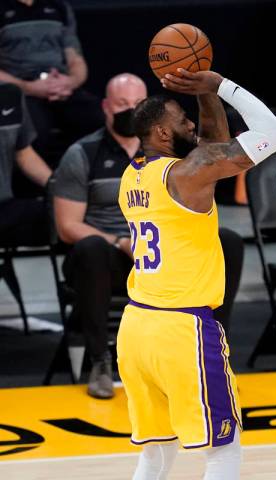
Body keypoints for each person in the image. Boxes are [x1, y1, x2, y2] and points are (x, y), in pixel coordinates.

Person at [117, 68, 276, 479]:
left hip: (137, 328)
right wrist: (223, 86)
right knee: (223, 448)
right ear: (161, 132)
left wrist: (205, 98)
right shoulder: (188, 174)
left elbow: (212, 146)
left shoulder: (132, 175)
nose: (191, 126)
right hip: (182, 331)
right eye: (183, 122)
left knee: (157, 452)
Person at [52, 73, 246, 400]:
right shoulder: (82, 154)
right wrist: (121, 242)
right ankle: (100, 361)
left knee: (227, 240)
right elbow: (67, 225)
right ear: (104, 107)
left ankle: (214, 346)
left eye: (135, 104)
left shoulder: (175, 151)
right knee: (91, 248)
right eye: (120, 104)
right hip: (114, 255)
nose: (129, 110)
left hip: (169, 256)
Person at [0, 0, 104, 183]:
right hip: (20, 90)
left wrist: (70, 82)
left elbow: (76, 59)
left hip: (61, 86)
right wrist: (28, 87)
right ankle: (47, 190)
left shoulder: (59, 7)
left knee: (99, 118)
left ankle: (93, 184)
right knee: (34, 133)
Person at [0, 82, 52, 248]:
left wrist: (58, 186)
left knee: (67, 215)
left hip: (6, 206)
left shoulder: (10, 94)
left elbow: (23, 153)